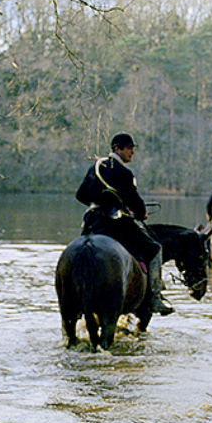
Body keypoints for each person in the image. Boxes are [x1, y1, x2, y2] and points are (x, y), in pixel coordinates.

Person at [74, 132, 174, 315]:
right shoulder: (123, 172)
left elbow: (80, 195)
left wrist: (98, 204)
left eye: (132, 149)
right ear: (116, 149)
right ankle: (155, 298)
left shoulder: (94, 167)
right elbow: (133, 200)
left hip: (92, 223)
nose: (132, 153)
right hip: (116, 225)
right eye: (129, 149)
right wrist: (141, 212)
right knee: (155, 248)